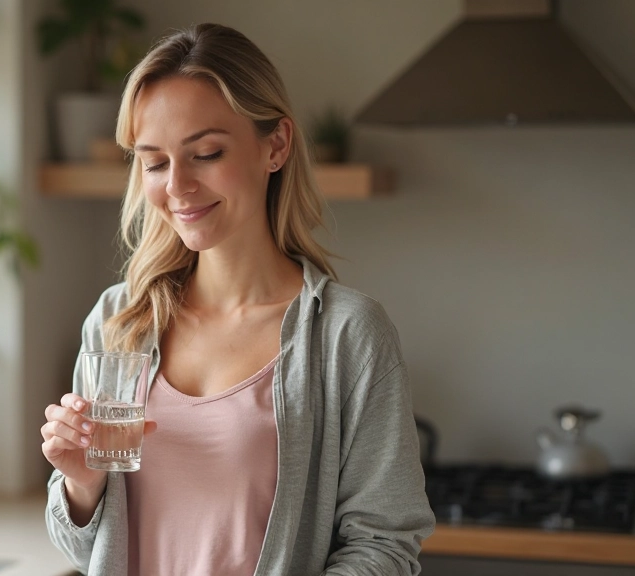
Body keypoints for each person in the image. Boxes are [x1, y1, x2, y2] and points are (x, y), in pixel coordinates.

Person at [41, 23, 435, 576]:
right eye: (154, 162)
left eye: (205, 153)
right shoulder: (118, 320)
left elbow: (385, 547)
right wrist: (82, 483)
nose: (177, 185)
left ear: (275, 145)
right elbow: (89, 551)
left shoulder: (348, 335)